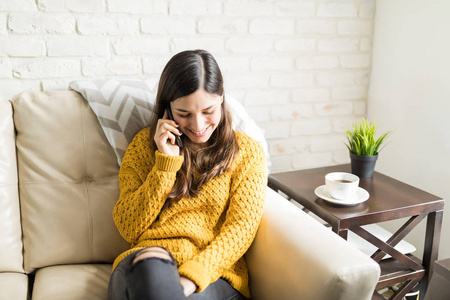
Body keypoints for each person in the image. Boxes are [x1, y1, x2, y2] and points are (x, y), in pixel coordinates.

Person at [108, 49, 268, 300]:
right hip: (144, 267)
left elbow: (241, 229)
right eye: (184, 114)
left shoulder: (246, 153)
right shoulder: (142, 146)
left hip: (212, 276)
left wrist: (191, 277)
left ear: (222, 95)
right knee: (151, 270)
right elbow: (129, 227)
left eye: (208, 111)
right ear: (167, 108)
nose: (197, 125)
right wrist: (165, 165)